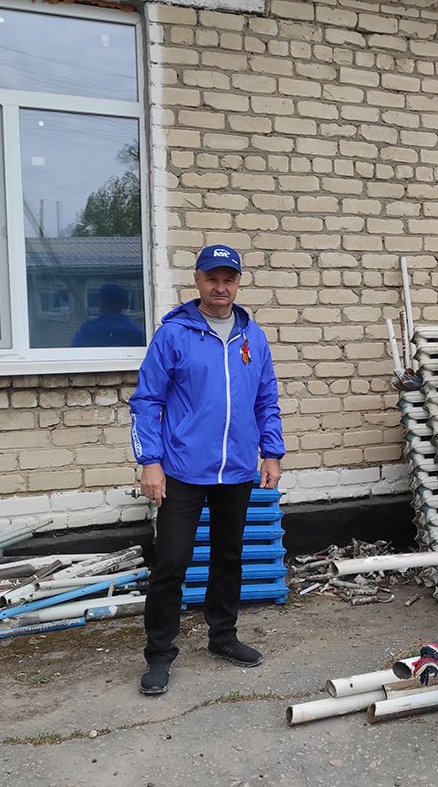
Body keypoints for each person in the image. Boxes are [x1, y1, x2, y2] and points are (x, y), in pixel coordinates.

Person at [128, 244, 284, 696]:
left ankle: (223, 637)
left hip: (236, 470)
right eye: (212, 278)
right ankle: (159, 654)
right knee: (171, 563)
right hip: (182, 470)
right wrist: (150, 462)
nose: (220, 287)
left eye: (228, 279)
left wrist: (271, 453)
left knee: (228, 558)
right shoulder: (174, 335)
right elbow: (146, 401)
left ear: (238, 283)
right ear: (197, 280)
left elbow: (266, 400)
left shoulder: (253, 337)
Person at [70, 282, 147, 347]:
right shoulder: (136, 331)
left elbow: (74, 352)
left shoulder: (87, 330)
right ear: (124, 304)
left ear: (102, 302)